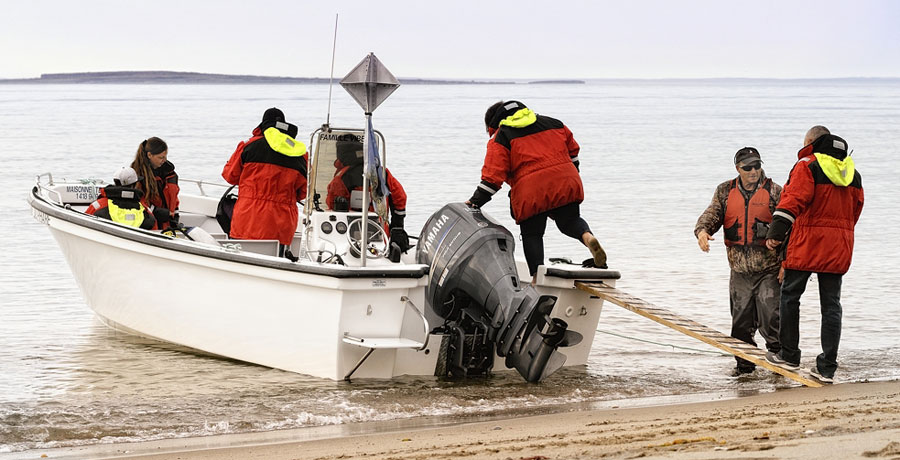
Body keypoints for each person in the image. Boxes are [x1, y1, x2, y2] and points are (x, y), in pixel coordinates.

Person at [764, 126, 864, 384]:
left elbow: (793, 200)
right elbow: (856, 210)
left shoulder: (807, 165)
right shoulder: (852, 172)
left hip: (808, 242)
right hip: (839, 245)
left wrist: (776, 233)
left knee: (790, 297)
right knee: (831, 305)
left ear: (811, 142)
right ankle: (827, 367)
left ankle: (789, 355)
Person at [466, 100, 606, 283]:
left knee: (532, 234)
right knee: (569, 221)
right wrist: (567, 177)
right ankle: (589, 238)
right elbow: (573, 152)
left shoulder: (502, 136)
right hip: (566, 180)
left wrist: (475, 201)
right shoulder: (554, 123)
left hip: (531, 191)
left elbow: (493, 178)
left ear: (494, 123)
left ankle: (536, 279)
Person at [695, 147, 783, 375]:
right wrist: (702, 232)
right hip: (739, 271)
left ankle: (780, 366)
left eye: (757, 166)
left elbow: (790, 229)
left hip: (769, 270)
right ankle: (744, 369)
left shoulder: (775, 191)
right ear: (738, 169)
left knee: (771, 320)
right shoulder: (724, 191)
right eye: (747, 167)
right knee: (740, 325)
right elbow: (712, 214)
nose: (753, 171)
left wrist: (786, 264)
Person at [222, 107, 308, 257]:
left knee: (241, 262)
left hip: (248, 218)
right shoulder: (300, 154)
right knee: (277, 263)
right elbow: (304, 192)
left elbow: (230, 176)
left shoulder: (248, 146)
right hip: (282, 222)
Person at [325, 140, 410, 251]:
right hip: (381, 232)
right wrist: (397, 226)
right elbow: (400, 197)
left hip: (348, 236)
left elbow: (332, 205)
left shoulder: (341, 178)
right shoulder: (383, 173)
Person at [131, 137, 179, 230]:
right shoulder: (137, 175)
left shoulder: (171, 175)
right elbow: (139, 203)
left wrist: (175, 217)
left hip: (168, 225)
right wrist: (163, 213)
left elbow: (175, 199)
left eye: (165, 157)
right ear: (149, 155)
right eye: (161, 157)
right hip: (150, 225)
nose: (164, 160)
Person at [86, 167, 157, 230]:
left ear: (115, 183)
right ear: (134, 185)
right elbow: (154, 230)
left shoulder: (98, 205)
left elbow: (85, 224)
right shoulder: (145, 210)